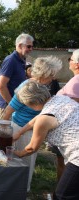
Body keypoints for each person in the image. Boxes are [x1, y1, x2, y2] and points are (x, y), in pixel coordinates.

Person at [2, 56, 62, 192]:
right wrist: (4, 133)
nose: (53, 78)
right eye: (51, 74)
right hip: (21, 128)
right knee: (23, 162)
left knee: (28, 162)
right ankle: (18, 190)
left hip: (32, 127)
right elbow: (7, 112)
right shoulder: (27, 87)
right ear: (44, 74)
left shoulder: (45, 85)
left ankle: (23, 189)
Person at [12, 81, 79, 200]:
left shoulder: (44, 119)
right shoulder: (60, 98)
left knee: (62, 195)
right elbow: (37, 118)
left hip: (77, 157)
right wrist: (20, 133)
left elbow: (32, 148)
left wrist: (16, 154)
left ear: (31, 102)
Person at [52, 49, 79, 181]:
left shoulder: (76, 83)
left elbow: (72, 108)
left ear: (77, 64)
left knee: (65, 162)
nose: (69, 61)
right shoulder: (75, 80)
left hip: (68, 131)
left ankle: (61, 190)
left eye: (71, 59)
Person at [0, 33, 34, 119]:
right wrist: (12, 105)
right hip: (6, 106)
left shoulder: (22, 59)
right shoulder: (11, 60)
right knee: (6, 132)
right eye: (28, 46)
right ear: (20, 45)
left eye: (32, 46)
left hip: (14, 105)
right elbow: (1, 86)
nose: (31, 49)